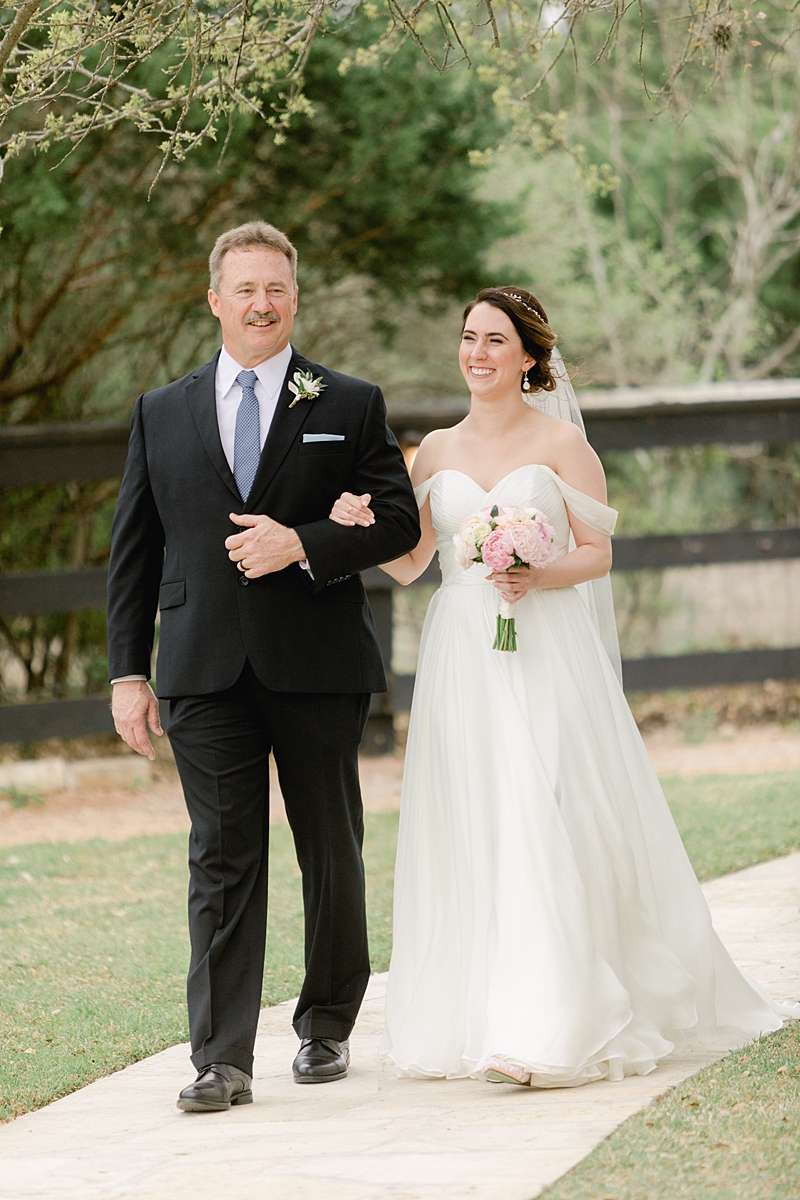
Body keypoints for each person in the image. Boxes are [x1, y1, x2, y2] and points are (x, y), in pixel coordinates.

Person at [329, 286, 798, 1087]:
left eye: (495, 341)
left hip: (543, 648)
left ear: (529, 357)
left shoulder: (561, 445)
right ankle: (479, 1015)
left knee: (541, 809)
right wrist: (355, 529)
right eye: (469, 338)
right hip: (462, 655)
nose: (477, 353)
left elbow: (599, 555)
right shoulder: (434, 451)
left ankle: (549, 1022)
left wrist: (535, 571)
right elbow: (411, 563)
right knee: (477, 817)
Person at [106, 221, 420, 1111]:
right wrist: (129, 672)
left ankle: (326, 1025)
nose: (261, 303)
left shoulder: (348, 402)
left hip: (316, 662)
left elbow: (397, 522)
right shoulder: (159, 411)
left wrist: (305, 543)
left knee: (330, 848)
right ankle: (222, 1059)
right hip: (200, 669)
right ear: (215, 298)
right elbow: (133, 552)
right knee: (222, 855)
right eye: (244, 288)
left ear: (295, 297)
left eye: (275, 288)